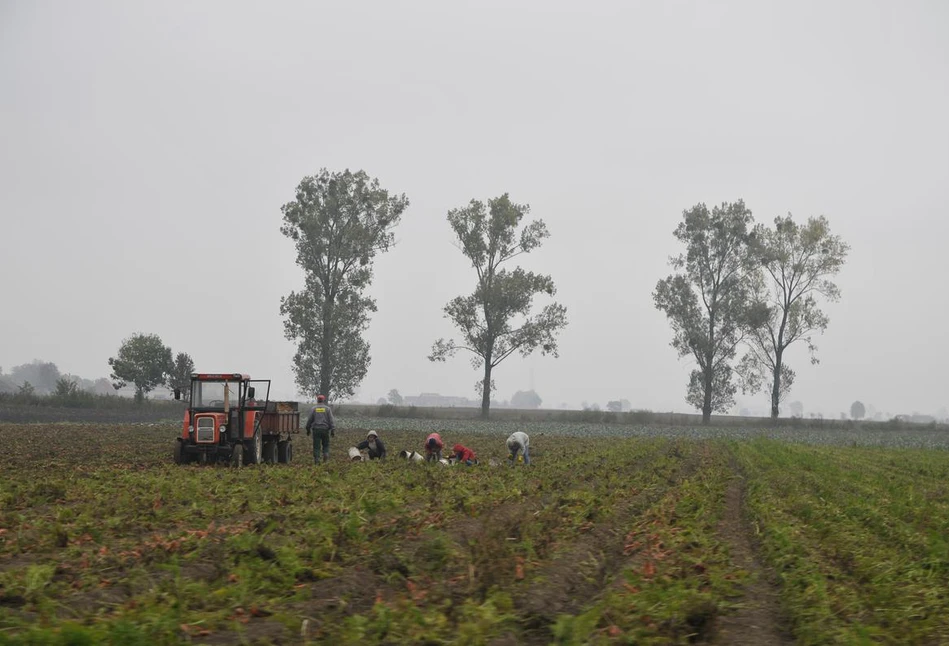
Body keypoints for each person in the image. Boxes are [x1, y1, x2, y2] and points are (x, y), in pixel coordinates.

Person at [305, 395, 335, 465]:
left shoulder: (313, 409)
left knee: (316, 446)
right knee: (326, 445)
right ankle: (326, 457)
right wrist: (333, 429)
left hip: (316, 430)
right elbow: (331, 420)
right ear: (323, 400)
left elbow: (310, 420)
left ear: (317, 400)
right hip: (325, 430)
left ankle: (317, 460)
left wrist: (308, 428)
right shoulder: (327, 409)